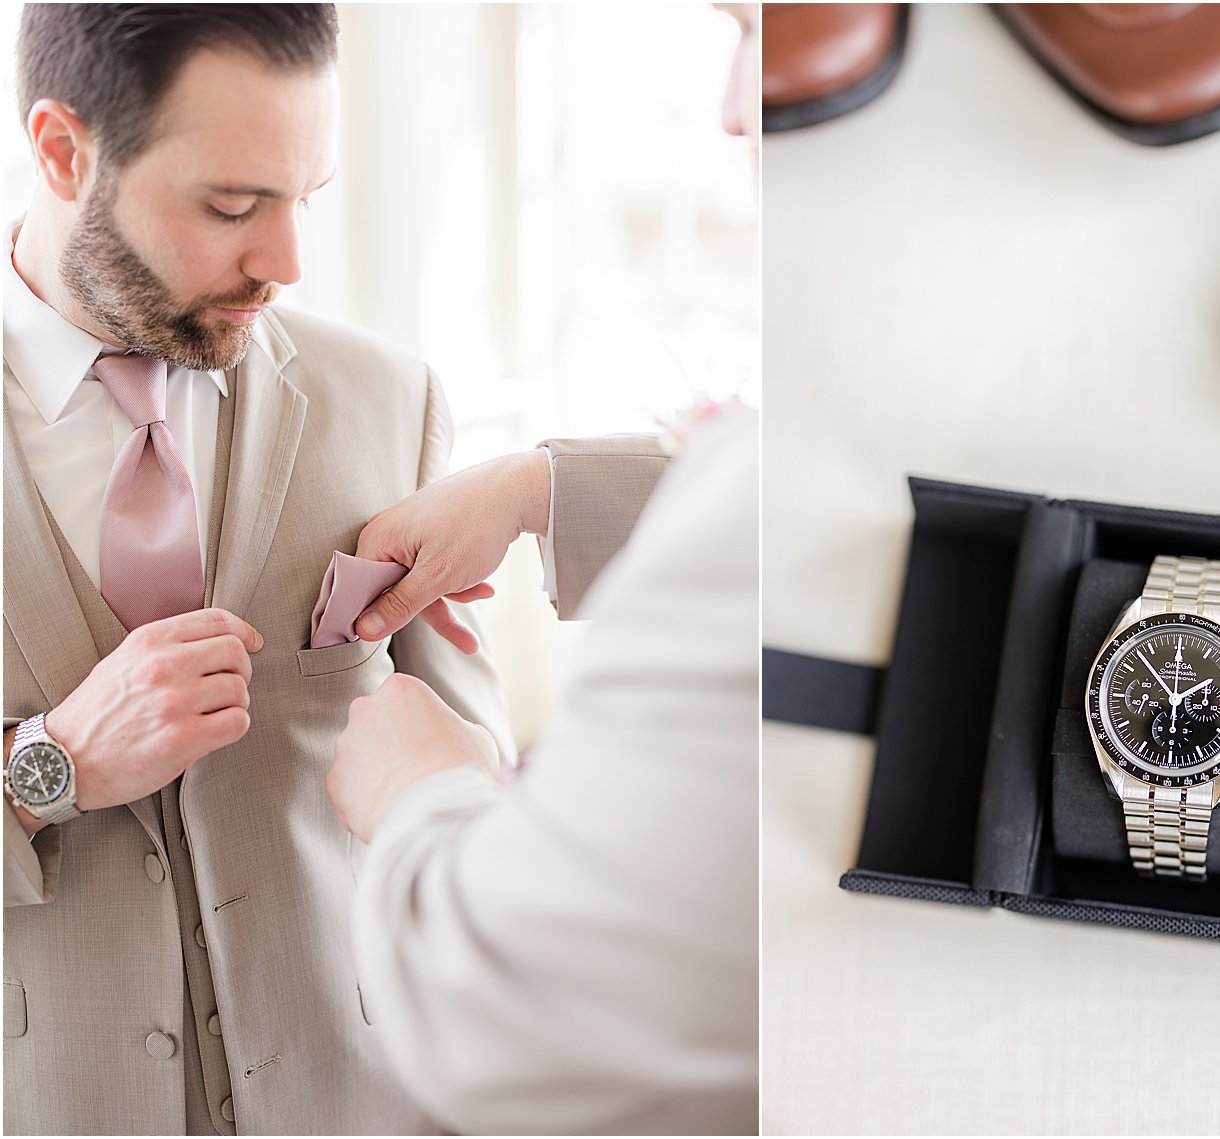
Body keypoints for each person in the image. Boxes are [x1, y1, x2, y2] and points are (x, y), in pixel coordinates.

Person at [3, 5, 509, 1134]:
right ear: (61, 151)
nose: (284, 264)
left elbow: (480, 791)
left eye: (304, 198)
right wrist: (48, 769)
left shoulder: (391, 402)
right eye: (232, 205)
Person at [323, 4, 761, 1134]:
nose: (725, 108)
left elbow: (524, 1013)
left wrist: (427, 793)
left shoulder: (381, 393)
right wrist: (538, 489)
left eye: (754, 32)